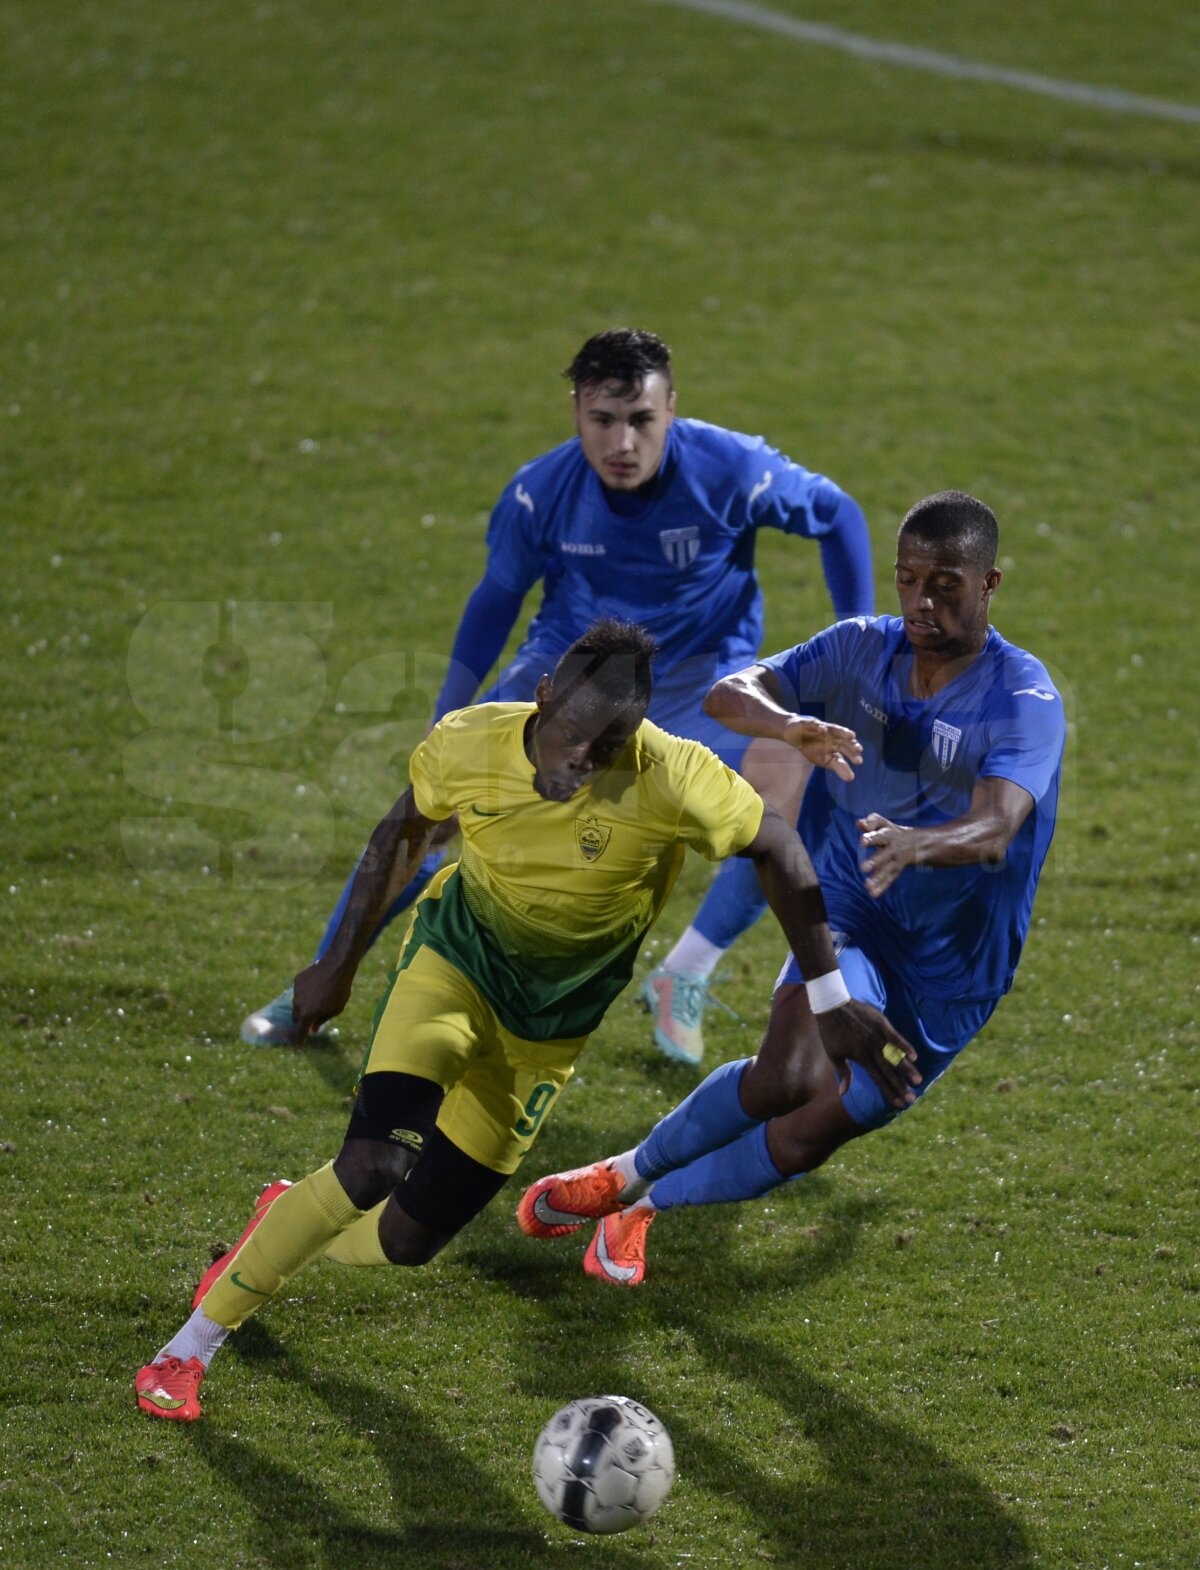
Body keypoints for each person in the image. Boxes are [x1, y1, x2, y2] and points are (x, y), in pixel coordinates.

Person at [137, 619, 915, 1421]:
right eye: (571, 734)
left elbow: (780, 848)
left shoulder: (674, 775)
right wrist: (339, 962)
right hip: (452, 971)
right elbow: (403, 830)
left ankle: (280, 1221)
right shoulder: (469, 742)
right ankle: (186, 1350)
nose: (581, 759)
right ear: (542, 699)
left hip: (543, 1038)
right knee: (372, 1168)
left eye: (607, 746)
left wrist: (828, 998)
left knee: (406, 1242)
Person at [241, 327, 875, 1065]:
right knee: (431, 810)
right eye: (603, 420)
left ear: (672, 408)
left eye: (641, 419)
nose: (623, 442)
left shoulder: (732, 468)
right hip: (575, 675)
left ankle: (685, 972)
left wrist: (850, 653)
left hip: (703, 673)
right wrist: (451, 706)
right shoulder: (539, 492)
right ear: (575, 409)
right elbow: (497, 597)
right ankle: (324, 976)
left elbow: (838, 515)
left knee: (791, 782)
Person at [517, 492, 1065, 1288]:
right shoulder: (859, 648)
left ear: (989, 585)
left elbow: (998, 824)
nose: (921, 600)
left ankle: (645, 1207)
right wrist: (787, 725)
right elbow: (730, 691)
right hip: (850, 907)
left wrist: (922, 844)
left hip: (958, 968)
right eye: (909, 579)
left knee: (811, 1135)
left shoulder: (1022, 698)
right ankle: (620, 1176)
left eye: (946, 583)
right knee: (789, 1074)